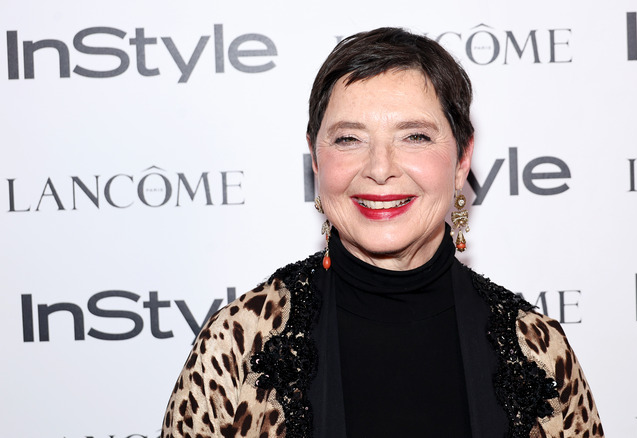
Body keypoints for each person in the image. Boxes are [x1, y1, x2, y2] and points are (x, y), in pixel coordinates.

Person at [162, 27, 603, 438]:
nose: (379, 169)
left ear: (462, 159)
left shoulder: (535, 348)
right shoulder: (240, 341)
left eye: (414, 136)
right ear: (316, 161)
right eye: (349, 139)